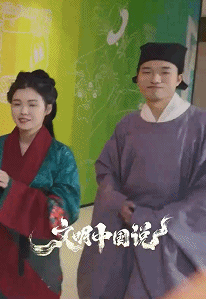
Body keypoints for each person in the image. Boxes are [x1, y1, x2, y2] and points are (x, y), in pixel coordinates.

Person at [77, 42, 206, 299]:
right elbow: (107, 171)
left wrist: (155, 219)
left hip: (171, 239)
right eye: (147, 71)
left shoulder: (200, 125)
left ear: (179, 78)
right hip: (125, 228)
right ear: (137, 78)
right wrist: (118, 203)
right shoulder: (127, 125)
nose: (155, 79)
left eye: (165, 71)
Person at [0, 69, 80, 299]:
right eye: (17, 104)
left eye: (32, 104)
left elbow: (64, 214)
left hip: (38, 260)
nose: (23, 111)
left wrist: (13, 191)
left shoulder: (61, 155)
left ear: (47, 109)